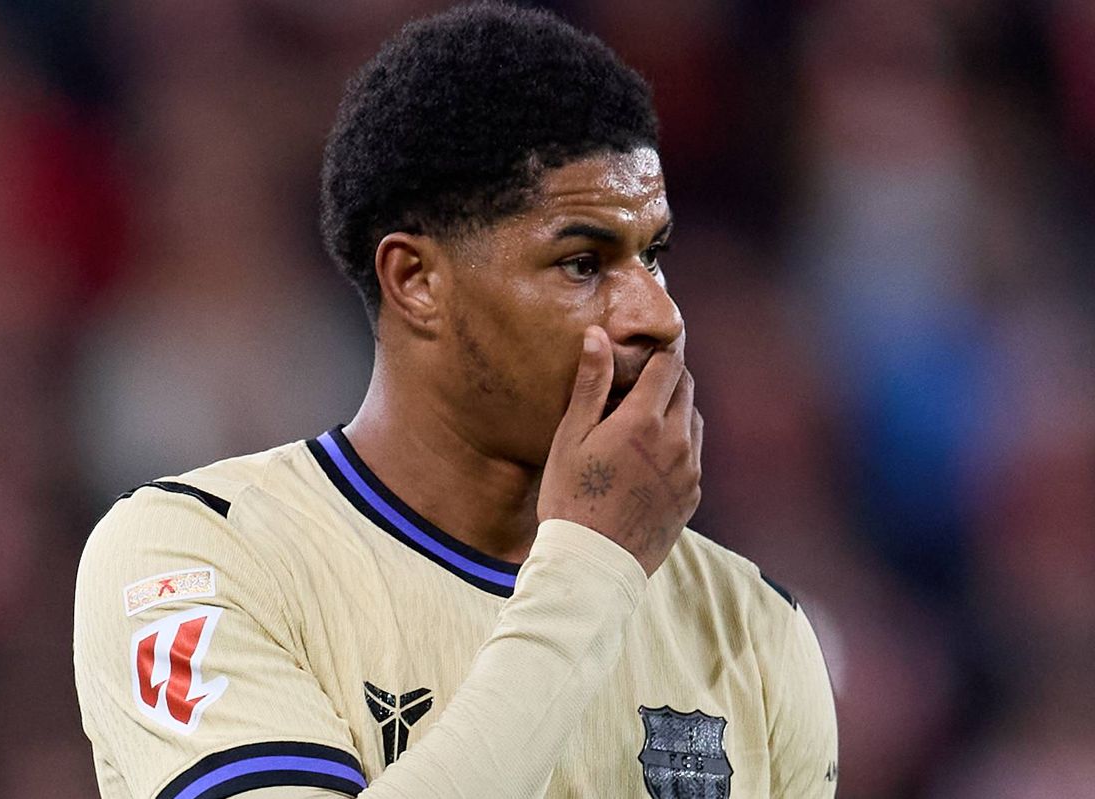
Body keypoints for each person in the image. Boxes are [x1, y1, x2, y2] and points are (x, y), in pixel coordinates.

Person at [73, 4, 838, 797]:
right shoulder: (193, 556)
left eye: (654, 256)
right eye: (583, 263)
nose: (658, 314)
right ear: (417, 282)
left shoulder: (756, 629)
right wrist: (591, 565)